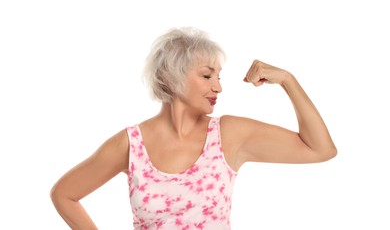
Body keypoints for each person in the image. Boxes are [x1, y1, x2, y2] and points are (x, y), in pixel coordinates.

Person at [50, 27, 337, 230]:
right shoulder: (131, 144)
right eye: (206, 75)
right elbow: (64, 194)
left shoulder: (228, 135)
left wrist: (288, 79)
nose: (218, 86)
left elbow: (321, 149)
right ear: (170, 77)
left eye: (219, 76)